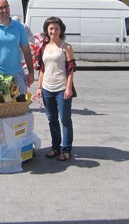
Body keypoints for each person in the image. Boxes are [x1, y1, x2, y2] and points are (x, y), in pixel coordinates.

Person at [35, 17, 76, 162]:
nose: (53, 31)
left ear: (61, 30)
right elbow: (41, 69)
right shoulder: (44, 47)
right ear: (47, 30)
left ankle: (66, 149)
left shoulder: (66, 47)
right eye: (51, 28)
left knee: (65, 119)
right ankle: (55, 147)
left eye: (56, 29)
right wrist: (39, 87)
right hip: (47, 88)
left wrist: (68, 88)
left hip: (62, 88)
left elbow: (71, 70)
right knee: (52, 119)